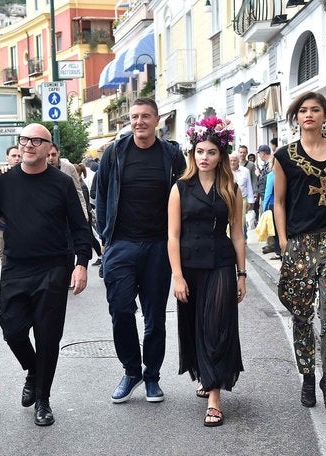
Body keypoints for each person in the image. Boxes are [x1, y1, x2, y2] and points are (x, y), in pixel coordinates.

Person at [0, 123, 91, 427]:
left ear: (49, 148)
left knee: (48, 337)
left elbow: (79, 226)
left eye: (36, 140)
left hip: (53, 268)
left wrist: (82, 264)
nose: (28, 145)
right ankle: (33, 370)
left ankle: (43, 400)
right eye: (24, 140)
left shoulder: (62, 183)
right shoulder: (4, 182)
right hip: (16, 266)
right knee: (12, 330)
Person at [96, 98, 186, 403]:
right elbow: (101, 194)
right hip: (121, 244)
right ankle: (131, 371)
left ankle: (152, 377)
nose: (139, 122)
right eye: (134, 116)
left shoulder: (172, 154)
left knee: (154, 317)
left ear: (157, 120)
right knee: (121, 309)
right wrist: (106, 239)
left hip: (159, 246)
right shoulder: (115, 152)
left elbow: (185, 192)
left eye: (146, 116)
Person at [274, 91, 326, 414]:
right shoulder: (284, 156)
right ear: (297, 117)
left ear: (324, 116)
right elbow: (279, 201)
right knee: (302, 314)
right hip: (299, 243)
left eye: (315, 109)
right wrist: (283, 241)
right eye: (303, 110)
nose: (309, 114)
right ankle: (308, 376)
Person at [167, 116, 246, 427]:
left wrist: (242, 274)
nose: (204, 157)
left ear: (220, 155)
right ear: (192, 153)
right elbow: (173, 235)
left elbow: (237, 234)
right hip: (188, 265)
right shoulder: (180, 188)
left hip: (221, 263)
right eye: (200, 151)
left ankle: (214, 396)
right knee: (195, 325)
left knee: (216, 326)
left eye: (211, 152)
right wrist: (177, 275)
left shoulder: (231, 188)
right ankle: (205, 374)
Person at [0, 145, 22, 265]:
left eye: (19, 156)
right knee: (4, 257)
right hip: (3, 225)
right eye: (14, 156)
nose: (17, 158)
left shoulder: (28, 175)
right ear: (7, 157)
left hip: (22, 225)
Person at [48, 143, 88, 221]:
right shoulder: (40, 168)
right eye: (47, 155)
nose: (51, 158)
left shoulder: (69, 167)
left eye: (53, 154)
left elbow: (78, 191)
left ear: (58, 153)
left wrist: (84, 213)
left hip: (67, 213)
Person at [256, 145, 275, 253]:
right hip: (265, 196)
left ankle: (271, 245)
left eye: (259, 153)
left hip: (269, 198)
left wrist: (259, 175)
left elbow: (269, 181)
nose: (259, 156)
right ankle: (270, 244)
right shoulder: (267, 164)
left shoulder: (270, 165)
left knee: (269, 222)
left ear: (263, 153)